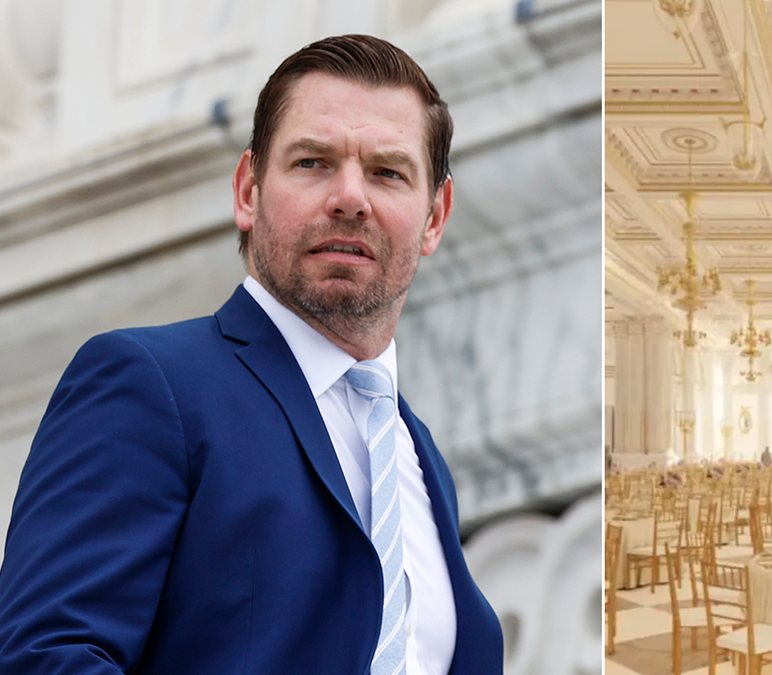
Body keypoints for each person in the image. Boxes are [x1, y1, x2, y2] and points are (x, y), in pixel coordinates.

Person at [0, 35, 502, 674]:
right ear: (247, 191)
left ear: (435, 217)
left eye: (387, 172)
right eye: (313, 162)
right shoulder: (151, 385)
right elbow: (46, 658)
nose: (351, 196)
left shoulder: (418, 459)